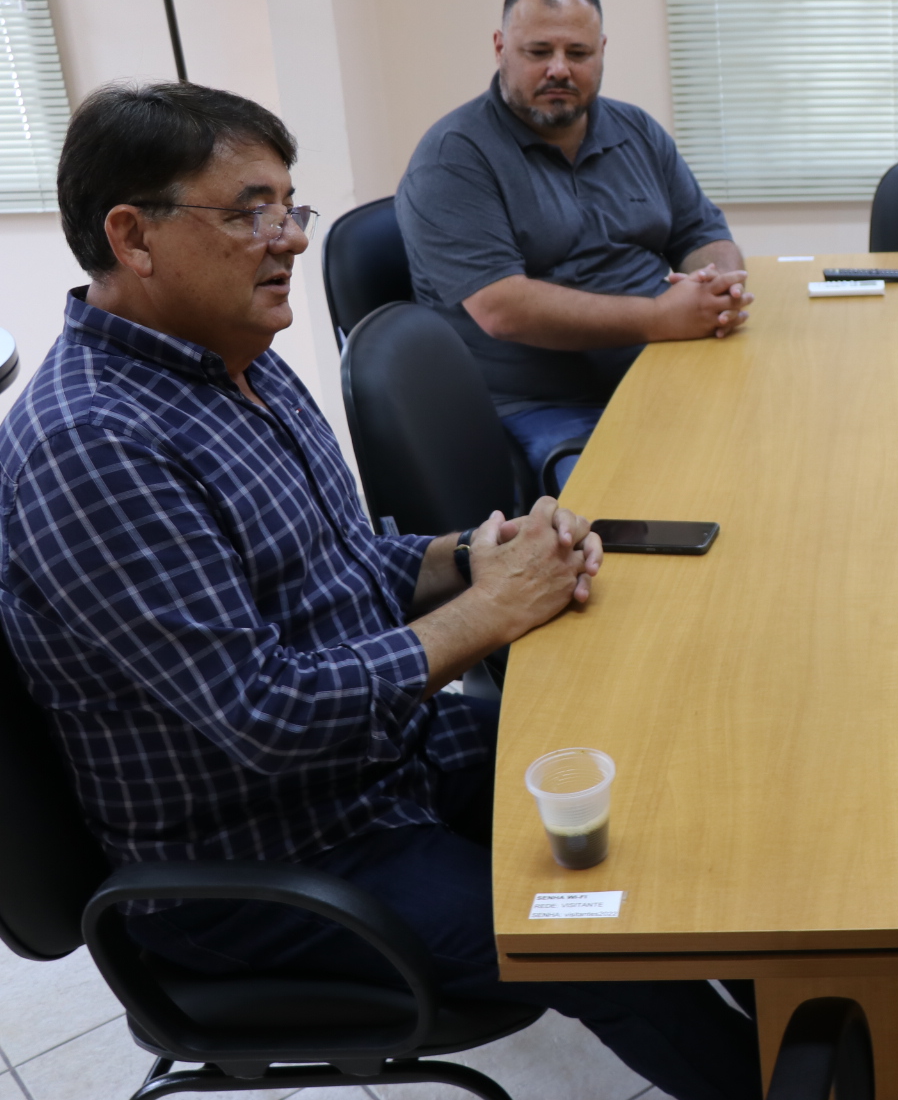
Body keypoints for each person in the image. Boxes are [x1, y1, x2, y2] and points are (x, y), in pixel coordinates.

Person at [0, 82, 759, 1100]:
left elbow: (344, 562)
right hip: (266, 860)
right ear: (132, 235)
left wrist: (479, 551)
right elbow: (261, 712)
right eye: (248, 212)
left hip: (378, 766)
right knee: (604, 940)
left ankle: (818, 1012)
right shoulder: (97, 442)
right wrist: (489, 610)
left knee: (680, 769)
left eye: (289, 206)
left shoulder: (241, 366)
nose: (289, 239)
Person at [397, 0, 752, 486]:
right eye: (538, 52)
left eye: (578, 54)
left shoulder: (637, 130)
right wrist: (659, 317)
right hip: (546, 406)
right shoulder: (453, 158)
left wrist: (718, 284)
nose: (559, 69)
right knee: (646, 509)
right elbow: (502, 308)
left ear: (602, 50)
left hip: (668, 366)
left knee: (781, 445)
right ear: (501, 47)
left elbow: (702, 232)